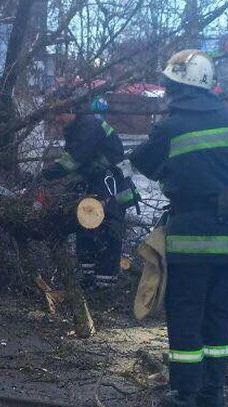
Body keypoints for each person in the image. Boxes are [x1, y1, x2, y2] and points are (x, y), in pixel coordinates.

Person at [130, 50, 228, 407]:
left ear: (176, 85)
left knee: (185, 313)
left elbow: (142, 163)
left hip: (191, 236)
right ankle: (213, 394)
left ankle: (184, 395)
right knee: (218, 314)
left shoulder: (171, 126)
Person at [42, 87, 136, 288]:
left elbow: (73, 161)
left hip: (112, 185)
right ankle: (87, 277)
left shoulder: (87, 126)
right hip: (98, 182)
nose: (56, 119)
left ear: (73, 109)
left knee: (107, 231)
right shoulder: (79, 126)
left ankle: (105, 284)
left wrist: (45, 174)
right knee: (85, 225)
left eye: (60, 113)